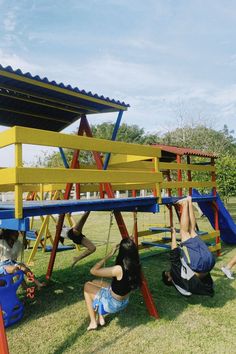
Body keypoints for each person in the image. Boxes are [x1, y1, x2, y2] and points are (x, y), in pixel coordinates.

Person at [84, 237, 142, 331]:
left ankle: (93, 322)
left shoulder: (118, 269)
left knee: (87, 286)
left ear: (121, 253)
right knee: (95, 282)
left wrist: (109, 255)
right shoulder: (136, 265)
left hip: (112, 304)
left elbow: (93, 270)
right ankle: (101, 317)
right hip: (124, 301)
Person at [162, 196, 215, 296]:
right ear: (169, 278)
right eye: (166, 273)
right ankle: (185, 203)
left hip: (209, 262)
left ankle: (189, 201)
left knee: (192, 231)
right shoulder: (176, 275)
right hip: (199, 263)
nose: (168, 271)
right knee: (184, 232)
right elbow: (174, 253)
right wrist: (173, 234)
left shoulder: (184, 283)